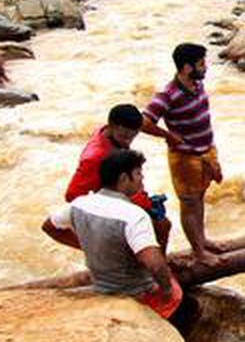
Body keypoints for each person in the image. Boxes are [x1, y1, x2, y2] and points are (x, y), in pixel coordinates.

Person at [42, 150, 191, 324]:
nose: (142, 178)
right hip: (136, 293)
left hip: (102, 288)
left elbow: (49, 227)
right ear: (123, 179)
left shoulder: (79, 204)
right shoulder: (134, 216)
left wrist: (86, 244)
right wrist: (166, 290)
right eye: (138, 174)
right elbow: (155, 264)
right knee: (178, 295)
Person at [142, 43, 224, 265]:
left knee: (199, 198)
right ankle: (199, 252)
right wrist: (168, 136)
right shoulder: (168, 94)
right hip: (186, 158)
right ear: (187, 67)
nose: (205, 67)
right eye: (201, 64)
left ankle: (202, 240)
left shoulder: (196, 85)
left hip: (205, 151)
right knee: (189, 203)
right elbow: (145, 122)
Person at [66, 104, 170, 250]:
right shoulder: (95, 158)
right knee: (161, 227)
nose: (128, 142)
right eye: (125, 136)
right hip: (113, 207)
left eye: (133, 136)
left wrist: (168, 136)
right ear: (112, 126)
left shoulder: (110, 133)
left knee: (162, 225)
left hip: (126, 196)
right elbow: (72, 195)